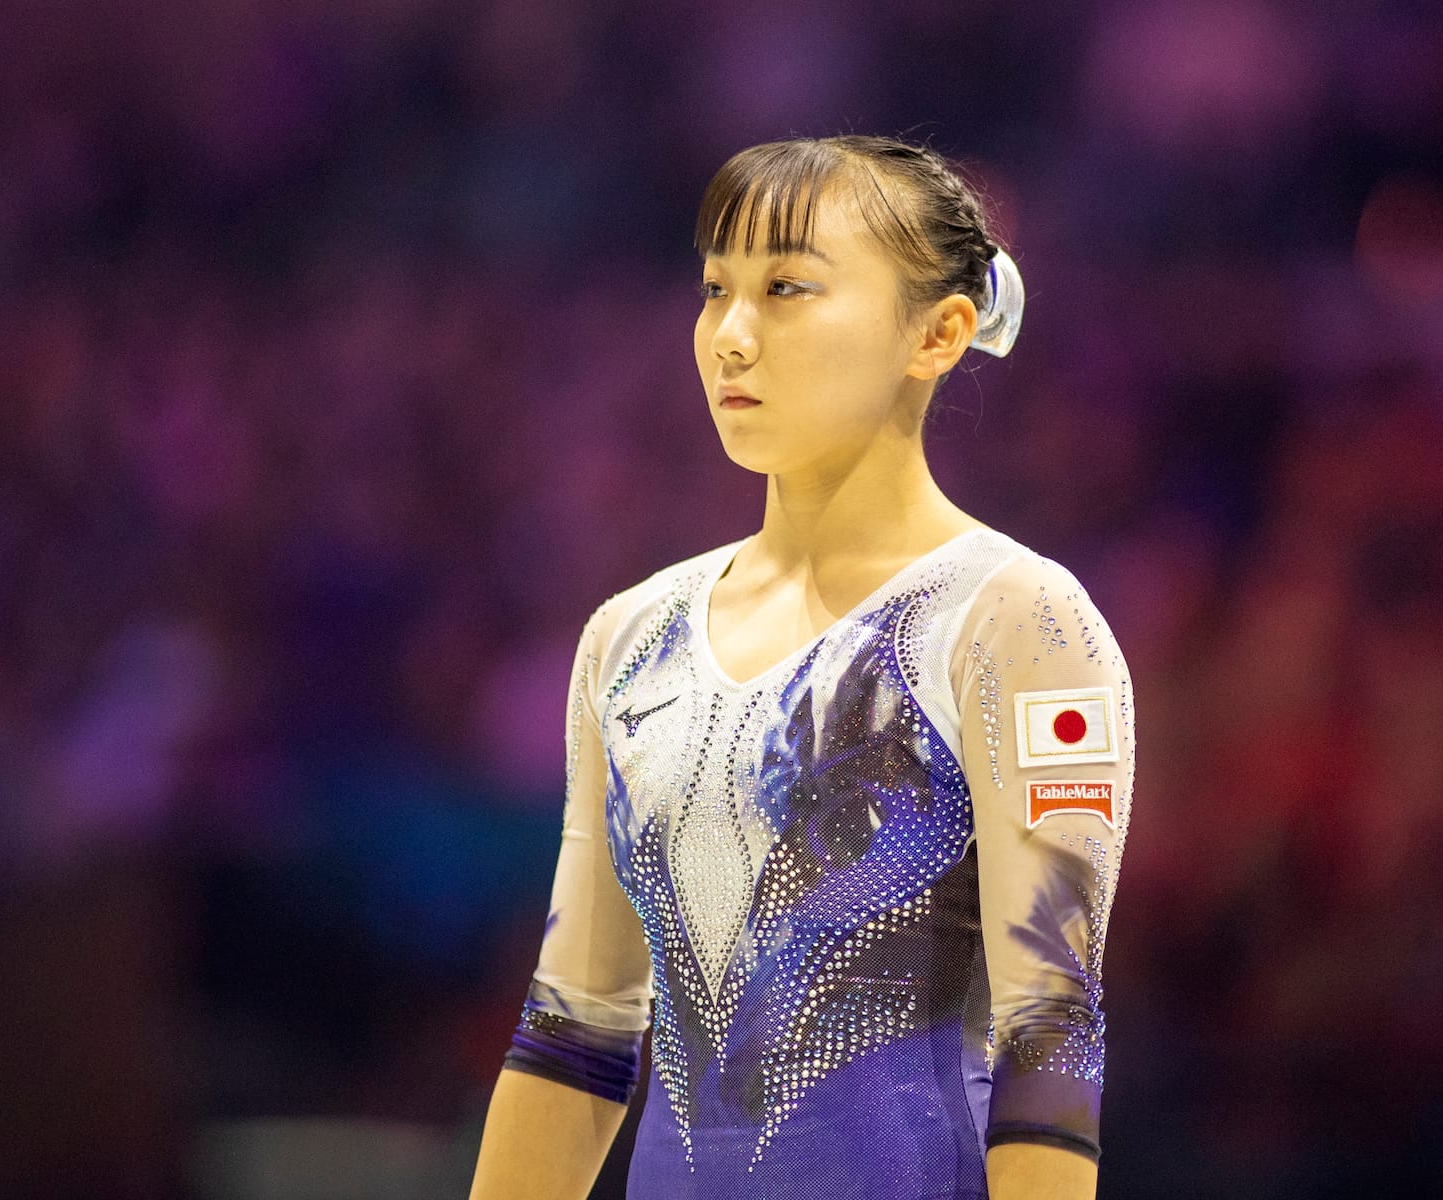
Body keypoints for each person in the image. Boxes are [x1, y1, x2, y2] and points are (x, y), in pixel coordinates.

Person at [468, 134, 1134, 1200]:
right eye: (715, 289)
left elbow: (1048, 1032)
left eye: (786, 289)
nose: (731, 337)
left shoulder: (1018, 624)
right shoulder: (631, 639)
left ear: (940, 332)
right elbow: (575, 1032)